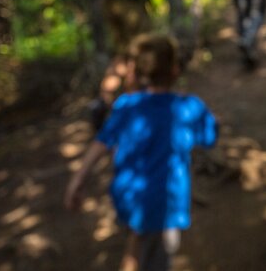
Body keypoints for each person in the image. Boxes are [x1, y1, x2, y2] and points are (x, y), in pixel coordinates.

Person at [65, 33, 217, 271]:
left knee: (138, 241)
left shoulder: (126, 105)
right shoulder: (190, 107)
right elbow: (209, 138)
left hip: (127, 197)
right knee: (155, 257)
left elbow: (101, 142)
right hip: (163, 204)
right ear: (175, 70)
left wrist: (78, 179)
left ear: (136, 70)